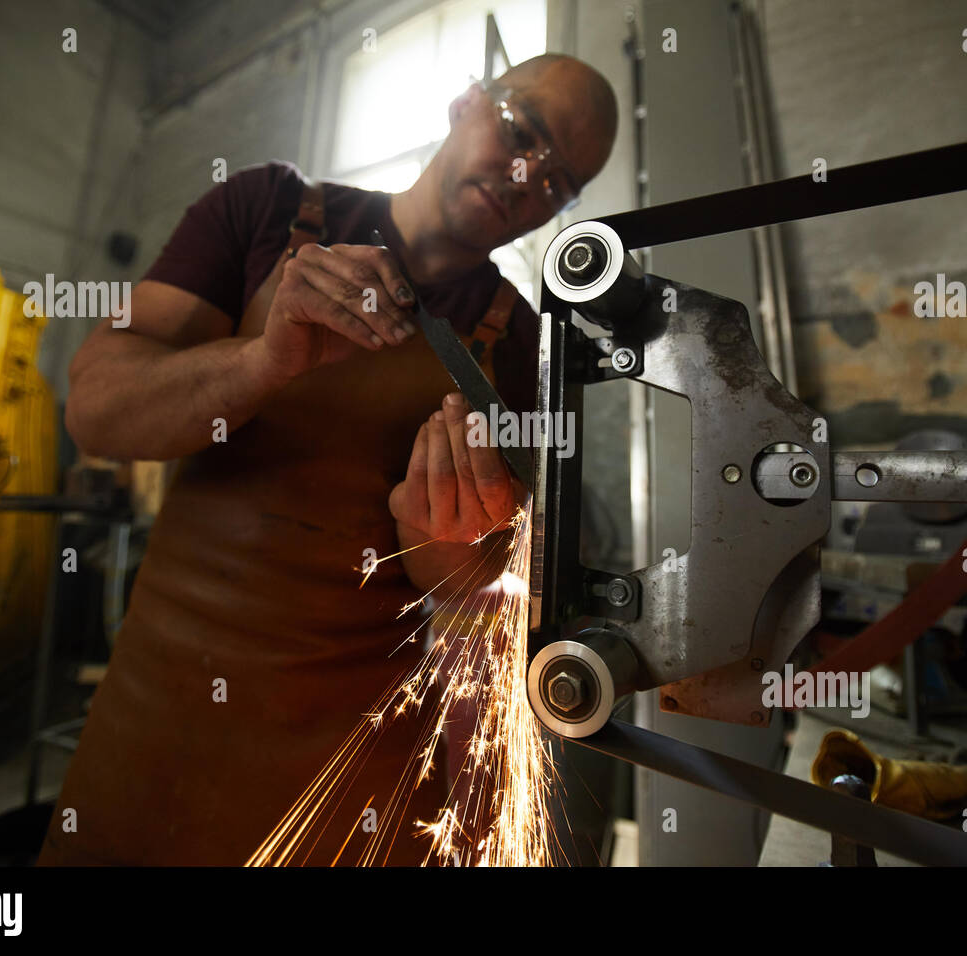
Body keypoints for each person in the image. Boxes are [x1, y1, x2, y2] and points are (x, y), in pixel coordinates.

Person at [37, 53, 618, 865]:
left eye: (559, 182)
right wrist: (259, 362)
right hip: (153, 725)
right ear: (466, 100)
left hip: (351, 777)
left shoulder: (525, 347)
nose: (526, 176)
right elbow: (97, 407)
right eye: (520, 132)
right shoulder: (266, 209)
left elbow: (490, 595)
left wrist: (445, 547)